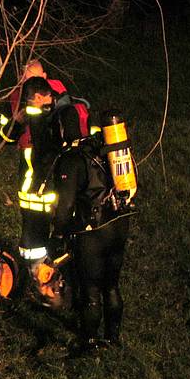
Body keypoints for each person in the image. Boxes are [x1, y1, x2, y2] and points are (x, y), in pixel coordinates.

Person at [48, 108, 134, 351]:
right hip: (119, 225)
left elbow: (65, 205)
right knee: (111, 285)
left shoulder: (71, 159)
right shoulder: (101, 149)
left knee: (91, 290)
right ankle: (113, 339)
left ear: (62, 129)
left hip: (93, 232)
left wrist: (58, 234)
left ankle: (88, 342)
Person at [0, 76, 61, 281]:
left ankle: (36, 273)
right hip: (38, 188)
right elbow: (8, 138)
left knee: (34, 232)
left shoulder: (37, 116)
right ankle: (38, 275)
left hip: (35, 187)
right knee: (37, 233)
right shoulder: (37, 116)